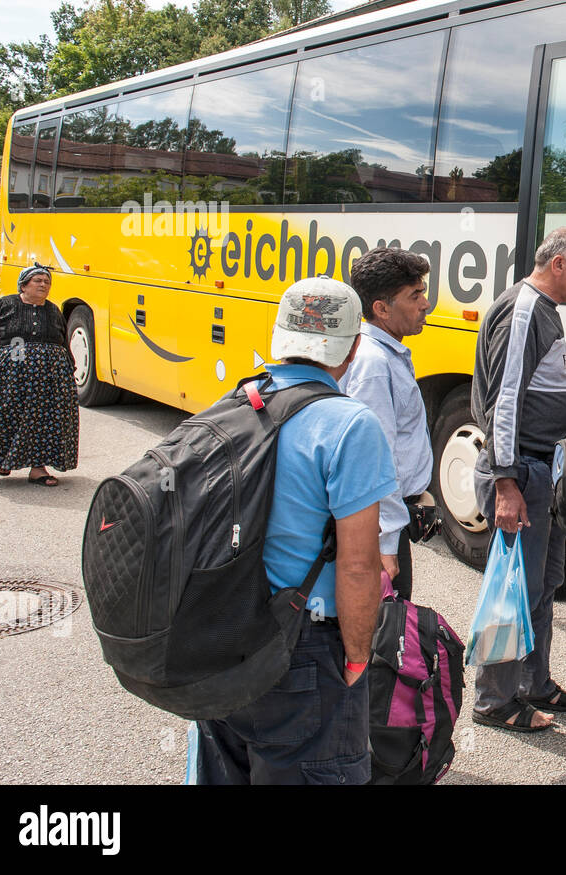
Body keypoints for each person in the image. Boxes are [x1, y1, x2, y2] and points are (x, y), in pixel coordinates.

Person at [194, 276, 397, 785]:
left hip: (221, 634)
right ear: (351, 348)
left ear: (280, 337)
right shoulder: (350, 424)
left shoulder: (236, 401)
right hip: (303, 646)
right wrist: (355, 658)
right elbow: (356, 564)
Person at [469, 225, 566, 732]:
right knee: (514, 589)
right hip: (521, 471)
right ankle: (494, 701)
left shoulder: (545, 311)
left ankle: (533, 684)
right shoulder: (525, 309)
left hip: (542, 470)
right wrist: (505, 483)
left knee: (542, 584)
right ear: (559, 264)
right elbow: (503, 401)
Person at [341, 247, 433, 601]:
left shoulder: (384, 352)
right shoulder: (374, 364)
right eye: (414, 295)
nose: (425, 304)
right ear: (381, 309)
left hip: (386, 525)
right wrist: (384, 543)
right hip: (379, 533)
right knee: (384, 638)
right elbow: (375, 461)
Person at [0, 263, 78, 486]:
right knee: (1, 414)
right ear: (24, 284)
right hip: (7, 377)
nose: (43, 285)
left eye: (47, 282)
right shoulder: (5, 305)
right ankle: (4, 459)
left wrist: (70, 367)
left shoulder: (53, 310)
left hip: (49, 379)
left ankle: (38, 469)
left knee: (43, 421)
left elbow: (62, 341)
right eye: (37, 280)